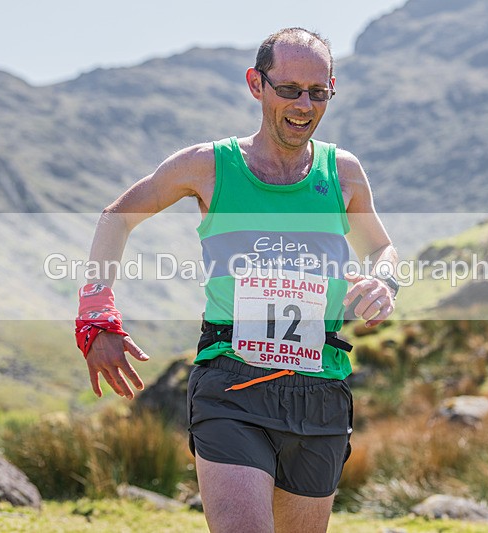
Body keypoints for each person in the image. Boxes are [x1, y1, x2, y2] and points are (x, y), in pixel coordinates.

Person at [75, 27, 398, 533]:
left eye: (318, 92)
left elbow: (381, 249)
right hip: (232, 384)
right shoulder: (208, 165)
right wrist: (96, 314)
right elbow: (117, 217)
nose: (304, 105)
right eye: (289, 89)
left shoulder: (343, 172)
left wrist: (384, 281)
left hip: (321, 388)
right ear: (256, 84)